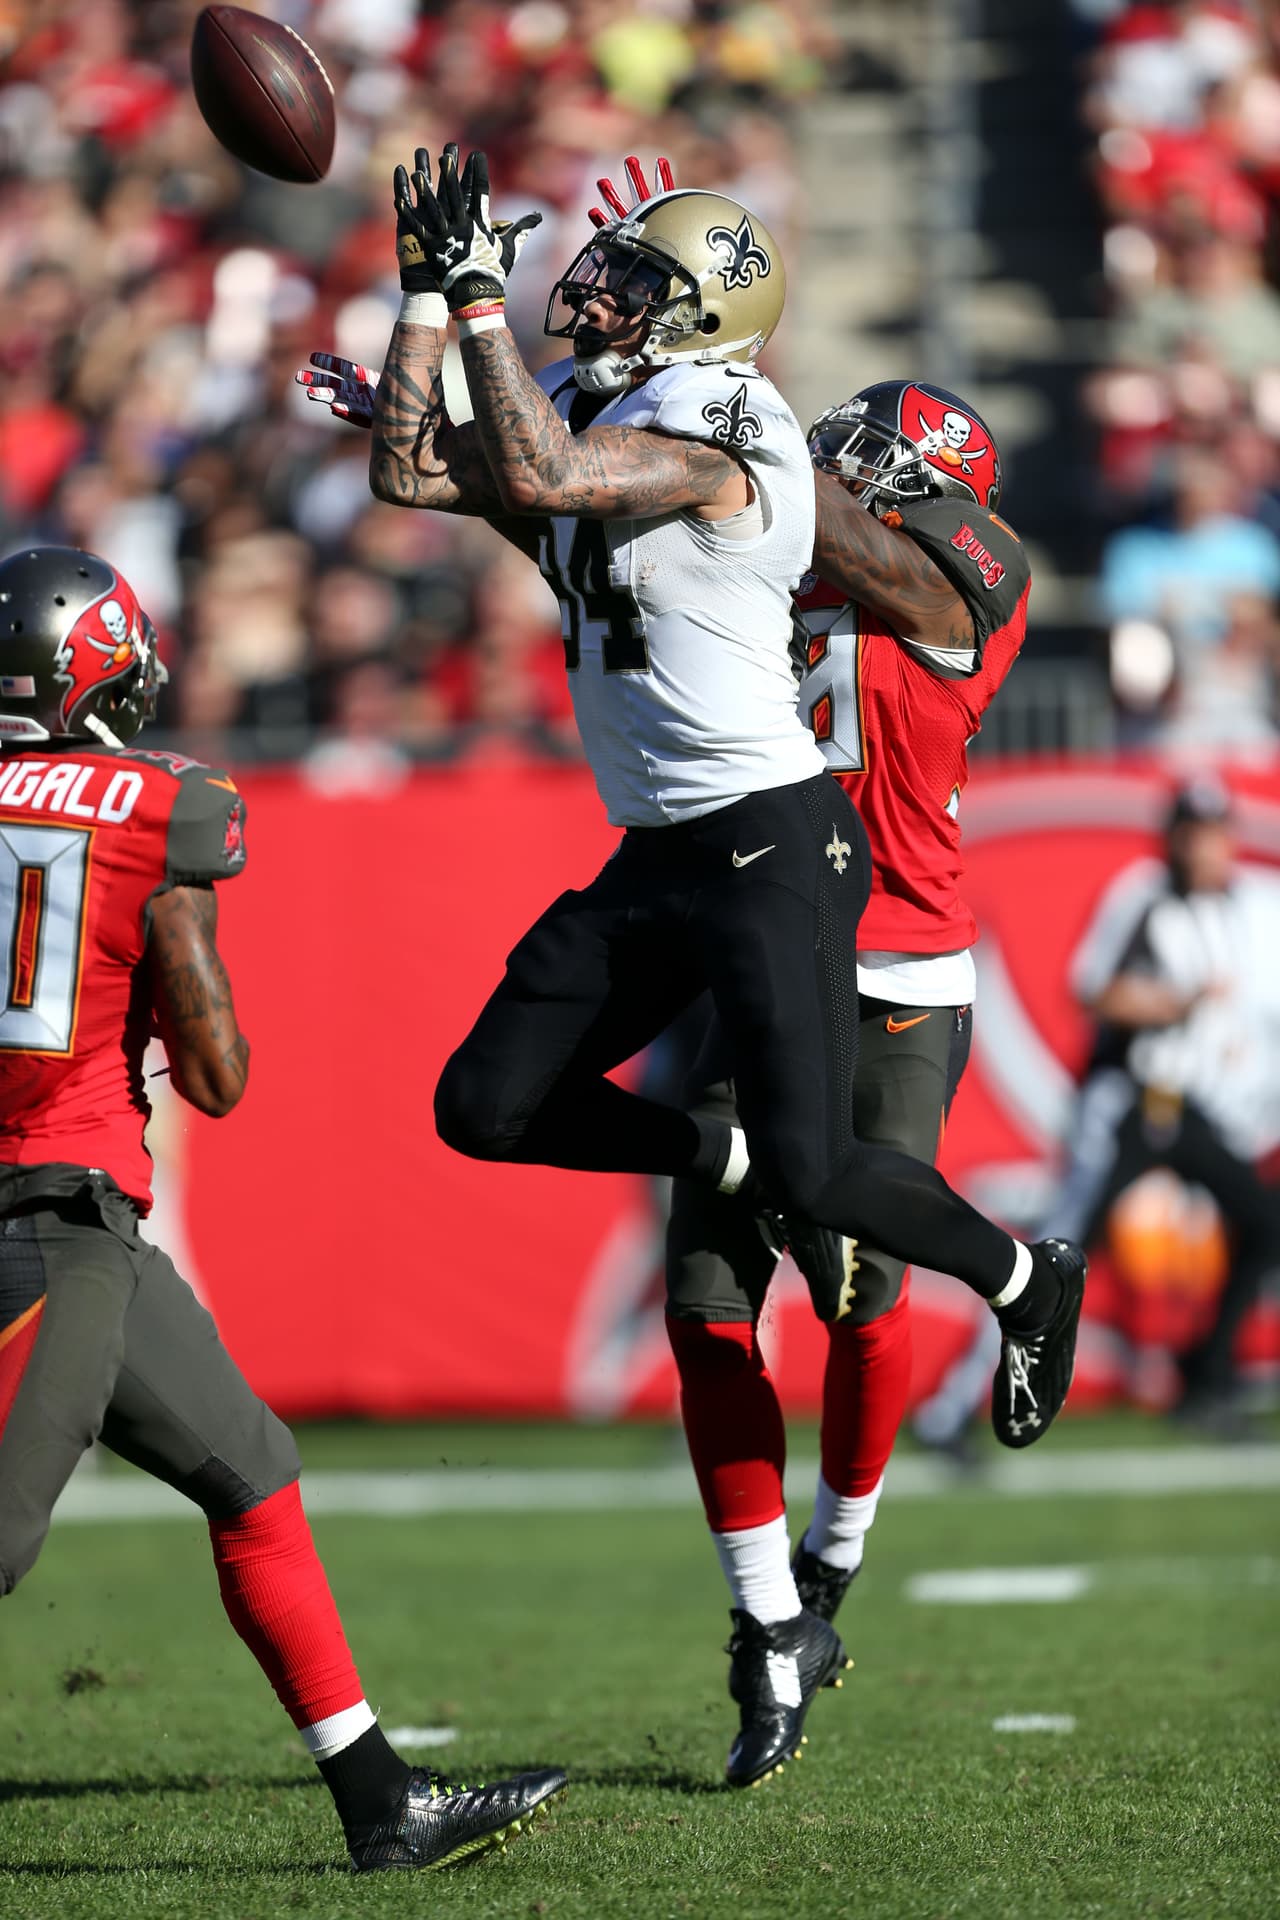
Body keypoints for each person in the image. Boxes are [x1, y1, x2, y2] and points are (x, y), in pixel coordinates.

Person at [305, 144, 1084, 1772]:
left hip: (774, 856)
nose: (600, 288)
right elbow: (424, 475)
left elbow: (556, 473)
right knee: (491, 1102)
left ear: (714, 321)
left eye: (639, 277)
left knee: (822, 1192)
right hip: (664, 853)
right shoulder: (608, 420)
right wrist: (417, 306)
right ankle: (770, 1586)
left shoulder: (737, 426)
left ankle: (1006, 1299)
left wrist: (470, 305)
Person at [0, 546, 566, 1870]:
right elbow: (219, 1072)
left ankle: (382, 1807)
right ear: (93, 663)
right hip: (48, 1221)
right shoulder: (159, 806)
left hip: (79, 1228)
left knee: (252, 1475)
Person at [662, 379, 1033, 1782]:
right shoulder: (778, 546)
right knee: (706, 1297)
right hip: (756, 949)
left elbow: (949, 559)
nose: (826, 461)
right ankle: (767, 1624)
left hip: (893, 972)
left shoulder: (961, 599)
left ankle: (834, 1561)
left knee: (864, 1285)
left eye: (867, 454)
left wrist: (723, 403)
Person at [915, 775, 1280, 1448]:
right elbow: (1093, 992)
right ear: (1174, 838)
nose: (1206, 848)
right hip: (1127, 1106)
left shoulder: (1239, 912)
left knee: (1262, 1221)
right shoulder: (1143, 896)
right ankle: (951, 1406)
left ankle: (1204, 1378)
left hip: (1187, 1108)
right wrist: (1172, 1003)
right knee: (1054, 1255)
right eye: (1194, 834)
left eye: (1215, 834)